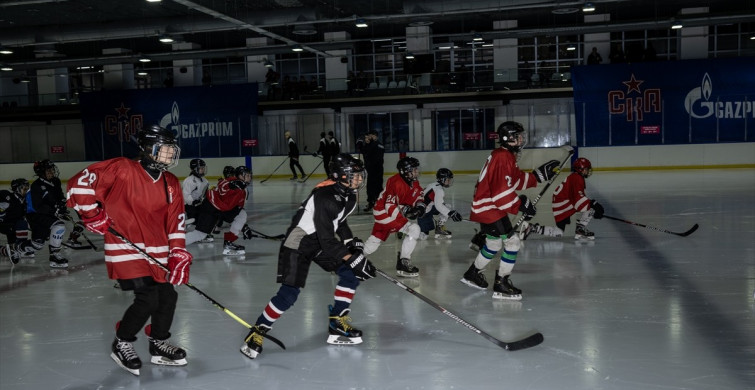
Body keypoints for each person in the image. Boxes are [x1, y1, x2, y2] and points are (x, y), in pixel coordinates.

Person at [66, 125, 192, 376]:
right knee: (148, 298)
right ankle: (122, 341)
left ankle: (157, 343)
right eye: (163, 149)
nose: (169, 155)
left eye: (171, 150)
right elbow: (78, 184)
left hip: (158, 250)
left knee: (168, 297)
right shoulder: (122, 168)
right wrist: (91, 214)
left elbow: (175, 220)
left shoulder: (170, 182)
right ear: (147, 149)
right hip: (125, 246)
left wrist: (177, 252)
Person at [240, 153, 373, 359]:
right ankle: (257, 331)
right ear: (339, 175)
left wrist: (349, 242)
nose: (359, 178)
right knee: (289, 293)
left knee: (350, 274)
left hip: (320, 240)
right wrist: (352, 258)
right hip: (299, 242)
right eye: (353, 174)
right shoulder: (325, 196)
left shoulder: (349, 194)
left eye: (359, 174)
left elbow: (340, 221)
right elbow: (327, 240)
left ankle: (337, 322)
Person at [460, 121, 559, 300]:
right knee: (512, 242)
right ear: (509, 138)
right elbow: (500, 193)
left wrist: (538, 176)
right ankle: (501, 283)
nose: (522, 139)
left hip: (488, 207)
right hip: (490, 208)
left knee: (494, 244)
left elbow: (514, 180)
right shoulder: (503, 157)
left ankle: (472, 274)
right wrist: (520, 205)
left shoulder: (505, 155)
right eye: (519, 136)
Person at [362, 156, 425, 277]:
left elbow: (418, 193)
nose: (417, 171)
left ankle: (348, 260)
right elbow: (389, 205)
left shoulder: (413, 180)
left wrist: (420, 206)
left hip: (387, 212)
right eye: (414, 169)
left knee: (373, 243)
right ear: (405, 171)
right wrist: (405, 213)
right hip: (384, 213)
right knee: (414, 229)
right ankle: (403, 262)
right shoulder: (395, 182)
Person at [527, 157, 603, 240]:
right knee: (591, 206)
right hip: (563, 204)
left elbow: (577, 198)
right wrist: (594, 205)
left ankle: (533, 228)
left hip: (560, 203)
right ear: (581, 169)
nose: (588, 171)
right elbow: (578, 201)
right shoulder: (577, 178)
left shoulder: (575, 177)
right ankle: (580, 229)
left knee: (559, 231)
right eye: (586, 169)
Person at [27, 159, 84, 267]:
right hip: (36, 216)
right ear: (41, 173)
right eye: (48, 171)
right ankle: (52, 255)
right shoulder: (36, 186)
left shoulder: (55, 181)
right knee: (45, 237)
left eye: (52, 170)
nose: (52, 172)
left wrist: (61, 205)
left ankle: (53, 255)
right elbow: (38, 207)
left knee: (38, 243)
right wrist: (55, 210)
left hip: (48, 214)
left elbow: (59, 197)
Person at [184, 166, 254, 255]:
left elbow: (237, 209)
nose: (249, 178)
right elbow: (222, 188)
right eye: (246, 175)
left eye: (249, 176)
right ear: (239, 176)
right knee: (200, 234)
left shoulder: (244, 191)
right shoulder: (230, 181)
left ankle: (229, 242)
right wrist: (232, 185)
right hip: (211, 206)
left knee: (242, 214)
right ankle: (175, 245)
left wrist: (244, 226)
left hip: (223, 209)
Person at [416, 168, 464, 240]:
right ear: (442, 179)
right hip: (423, 213)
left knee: (447, 206)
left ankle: (439, 228)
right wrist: (450, 213)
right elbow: (439, 206)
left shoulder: (434, 184)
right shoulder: (439, 190)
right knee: (423, 237)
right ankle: (407, 230)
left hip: (426, 208)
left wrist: (448, 212)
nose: (449, 182)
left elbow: (437, 203)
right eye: (448, 180)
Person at [0, 178, 33, 264]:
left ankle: (18, 248)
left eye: (27, 188)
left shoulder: (26, 201)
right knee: (21, 224)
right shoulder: (7, 197)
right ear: (17, 189)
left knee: (21, 224)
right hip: (3, 224)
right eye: (24, 188)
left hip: (12, 226)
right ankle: (18, 248)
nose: (27, 190)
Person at [361, 130, 384, 212]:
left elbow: (370, 155)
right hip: (372, 169)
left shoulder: (377, 145)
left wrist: (367, 145)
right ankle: (372, 202)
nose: (369, 138)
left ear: (375, 136)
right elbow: (364, 152)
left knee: (376, 186)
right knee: (371, 187)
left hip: (376, 169)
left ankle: (378, 202)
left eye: (370, 136)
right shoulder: (373, 145)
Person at [182, 158, 209, 224]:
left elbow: (205, 193)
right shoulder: (189, 181)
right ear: (195, 169)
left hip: (199, 204)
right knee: (195, 221)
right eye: (201, 168)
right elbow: (185, 195)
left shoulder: (205, 180)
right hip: (190, 206)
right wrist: (193, 202)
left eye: (203, 168)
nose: (203, 170)